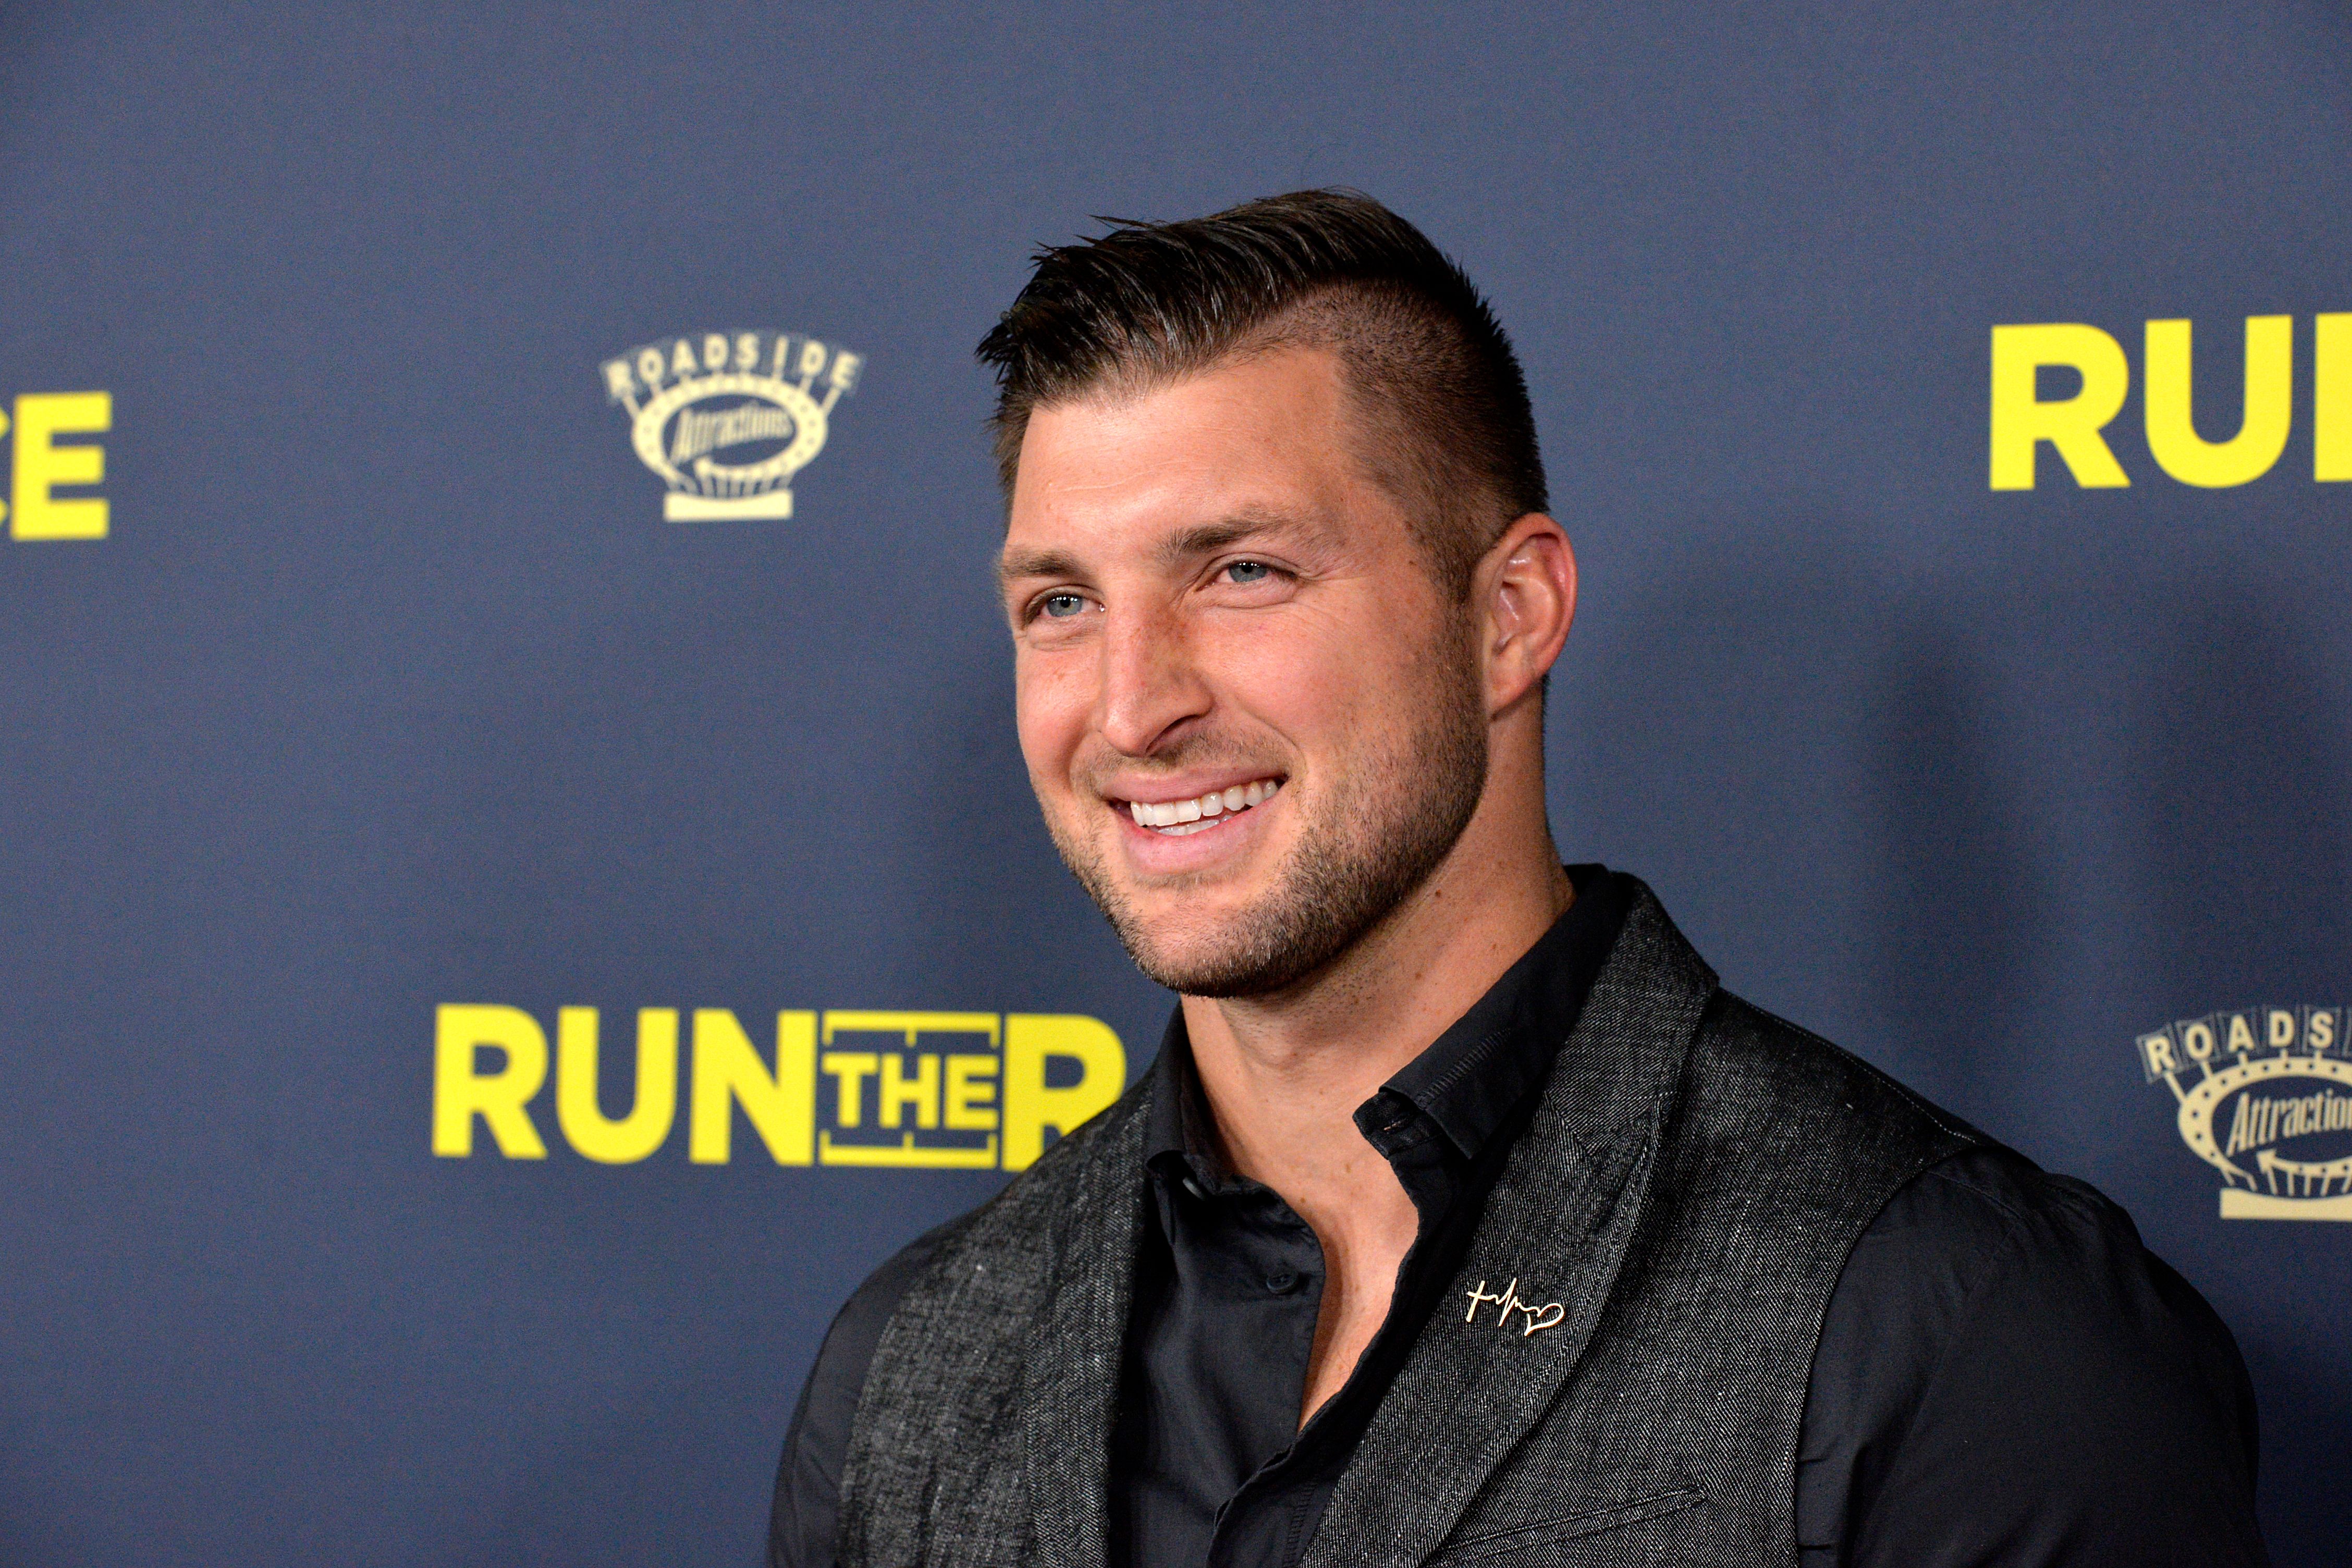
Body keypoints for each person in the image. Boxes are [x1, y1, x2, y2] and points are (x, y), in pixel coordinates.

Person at [767, 191, 2267, 1568]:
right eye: (1062, 602)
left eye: (1243, 573)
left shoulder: (1963, 1333)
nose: (1129, 704)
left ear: (1511, 614)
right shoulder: (915, 1364)